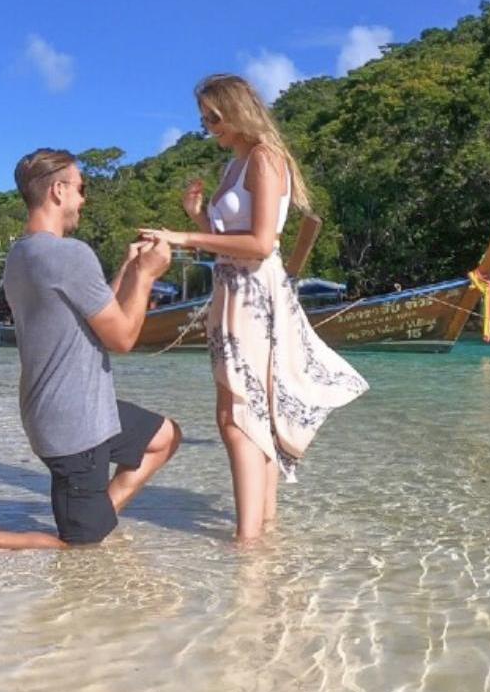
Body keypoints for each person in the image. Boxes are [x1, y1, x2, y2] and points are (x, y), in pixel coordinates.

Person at [139, 73, 369, 542]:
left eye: (214, 117)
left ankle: (247, 543)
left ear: (238, 109)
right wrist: (198, 217)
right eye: (203, 119)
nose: (208, 127)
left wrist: (184, 236)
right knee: (250, 412)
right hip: (234, 287)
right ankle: (262, 532)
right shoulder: (235, 165)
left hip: (252, 291)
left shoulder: (265, 159)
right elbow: (229, 243)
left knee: (237, 415)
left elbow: (262, 243)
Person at [0, 148, 182, 549]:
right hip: (76, 428)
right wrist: (146, 275)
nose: (83, 199)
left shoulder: (20, 255)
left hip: (68, 411)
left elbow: (95, 315)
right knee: (77, 550)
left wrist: (128, 269)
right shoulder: (70, 255)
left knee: (165, 436)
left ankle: (97, 515)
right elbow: (123, 338)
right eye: (81, 188)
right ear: (58, 191)